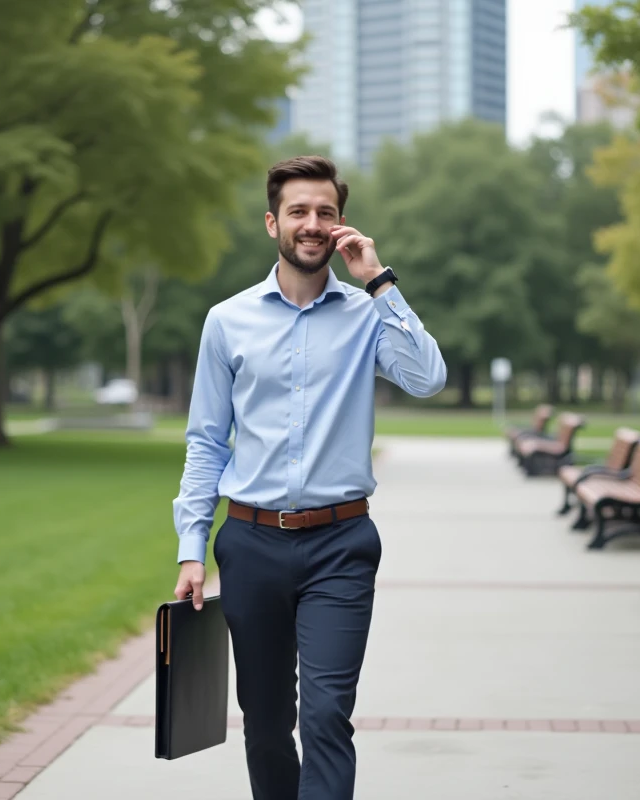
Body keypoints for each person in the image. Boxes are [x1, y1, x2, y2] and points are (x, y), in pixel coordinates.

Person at [171, 155, 447, 799]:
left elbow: (427, 378)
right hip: (251, 544)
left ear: (342, 224)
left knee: (326, 717)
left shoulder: (366, 313)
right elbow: (206, 443)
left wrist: (379, 280)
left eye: (325, 212)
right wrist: (191, 549)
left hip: (340, 545)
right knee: (266, 726)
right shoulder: (226, 321)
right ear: (273, 223)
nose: (312, 223)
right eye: (298, 211)